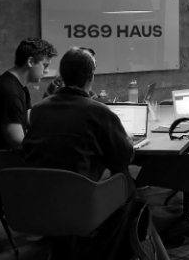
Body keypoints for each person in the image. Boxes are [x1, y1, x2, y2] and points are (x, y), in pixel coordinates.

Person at [23, 47, 135, 192]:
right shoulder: (99, 111)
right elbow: (123, 158)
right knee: (122, 172)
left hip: (39, 193)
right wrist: (127, 141)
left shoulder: (37, 110)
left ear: (62, 75)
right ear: (91, 76)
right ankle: (132, 204)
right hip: (83, 196)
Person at [0, 38, 57, 150]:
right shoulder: (9, 92)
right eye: (45, 65)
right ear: (30, 61)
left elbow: (31, 121)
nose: (47, 71)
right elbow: (17, 142)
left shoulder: (21, 87)